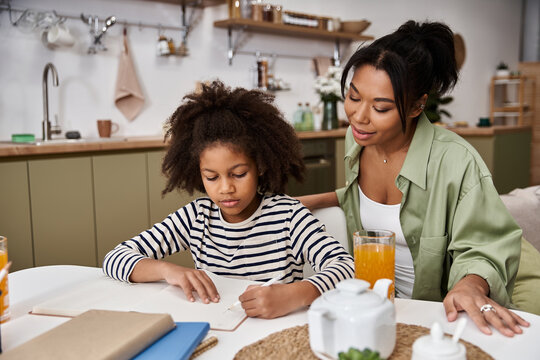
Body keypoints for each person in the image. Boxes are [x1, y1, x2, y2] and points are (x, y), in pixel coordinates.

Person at [298, 20, 536, 336]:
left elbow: (484, 248)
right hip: (378, 308)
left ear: (416, 106)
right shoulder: (357, 139)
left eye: (380, 107)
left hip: (434, 311)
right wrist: (301, 203)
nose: (359, 116)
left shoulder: (456, 161)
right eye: (354, 97)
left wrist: (470, 285)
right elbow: (357, 197)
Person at [103, 80, 354, 319]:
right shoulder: (196, 217)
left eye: (239, 174)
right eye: (211, 177)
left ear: (261, 166)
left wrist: (297, 293)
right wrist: (167, 270)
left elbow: (345, 266)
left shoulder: (288, 216)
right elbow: (115, 258)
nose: (226, 188)